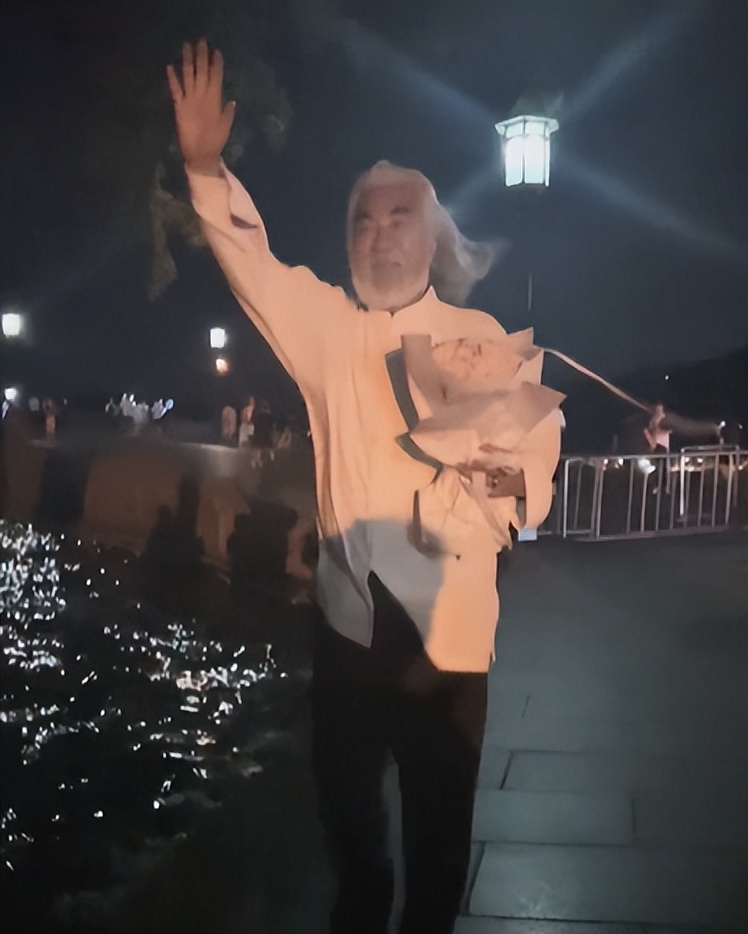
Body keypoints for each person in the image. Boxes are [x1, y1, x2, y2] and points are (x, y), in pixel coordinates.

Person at [168, 40, 561, 934]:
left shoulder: (482, 337)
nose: (379, 233)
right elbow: (255, 267)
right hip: (347, 624)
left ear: (435, 238)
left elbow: (533, 473)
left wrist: (495, 468)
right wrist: (205, 172)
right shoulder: (330, 332)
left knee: (440, 848)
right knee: (349, 827)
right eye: (362, 221)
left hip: (450, 637)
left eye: (399, 217)